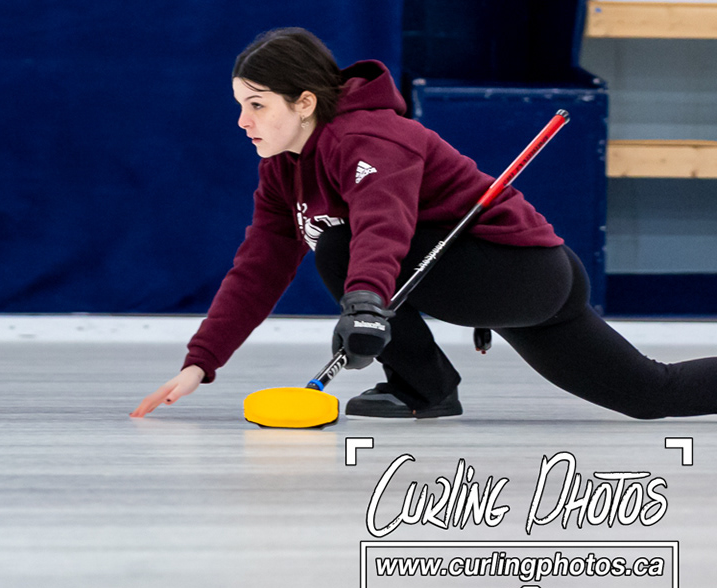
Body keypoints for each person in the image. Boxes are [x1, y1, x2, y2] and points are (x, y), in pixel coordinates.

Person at [133, 27, 717, 421]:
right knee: (648, 394)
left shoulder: (369, 139)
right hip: (509, 280)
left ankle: (424, 389)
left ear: (304, 102)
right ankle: (425, 385)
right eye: (241, 105)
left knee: (338, 245)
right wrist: (202, 360)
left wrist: (366, 306)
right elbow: (258, 267)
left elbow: (381, 226)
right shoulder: (283, 170)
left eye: (257, 105)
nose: (243, 121)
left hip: (517, 273)